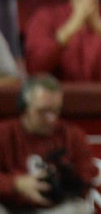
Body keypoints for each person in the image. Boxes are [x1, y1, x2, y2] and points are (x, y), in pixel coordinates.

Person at [0, 75, 95, 214]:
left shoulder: (72, 135)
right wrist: (17, 184)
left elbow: (86, 177)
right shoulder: (4, 133)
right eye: (43, 111)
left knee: (81, 208)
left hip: (54, 209)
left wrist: (66, 182)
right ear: (25, 106)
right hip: (11, 208)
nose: (51, 119)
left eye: (55, 110)